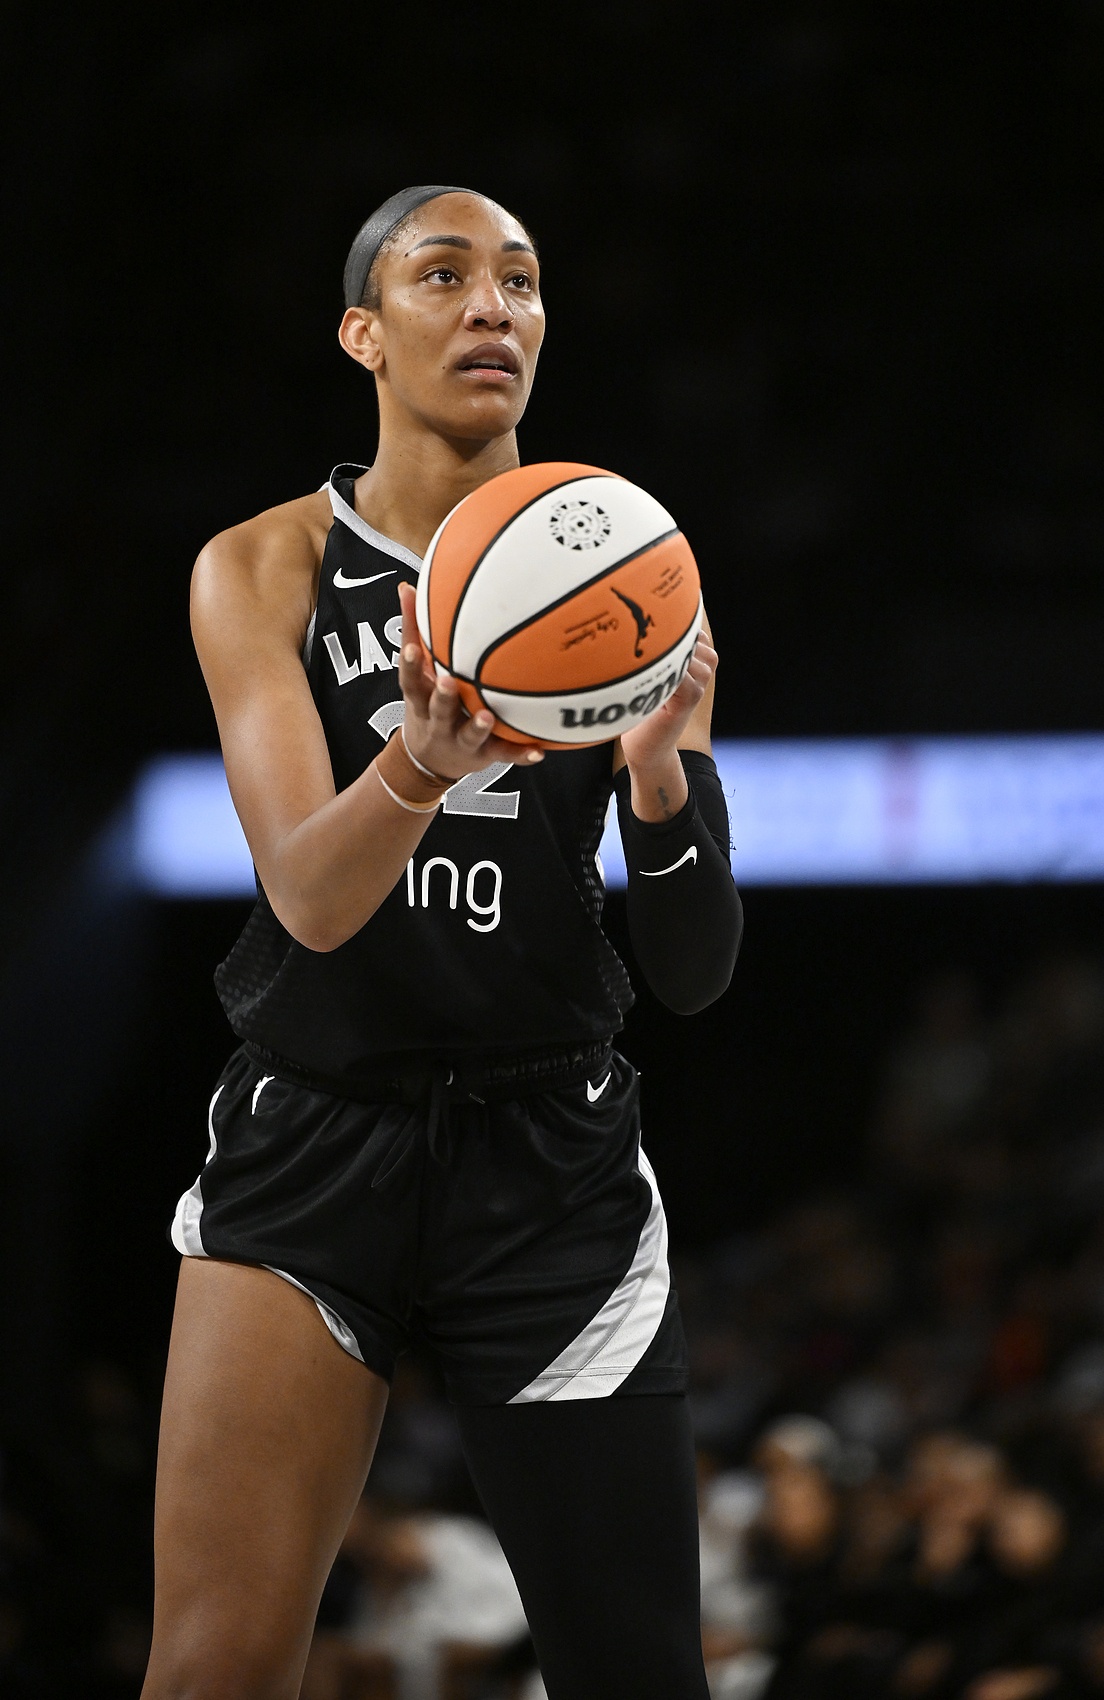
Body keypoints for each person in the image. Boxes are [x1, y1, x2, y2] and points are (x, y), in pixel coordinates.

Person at [141, 183, 744, 1700]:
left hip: (549, 1160)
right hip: (315, 1135)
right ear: (363, 333)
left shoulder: (623, 566)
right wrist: (418, 764)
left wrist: (662, 780)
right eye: (445, 274)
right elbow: (311, 900)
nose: (493, 306)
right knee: (211, 1669)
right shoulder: (263, 565)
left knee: (639, 1676)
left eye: (522, 281)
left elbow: (692, 971)